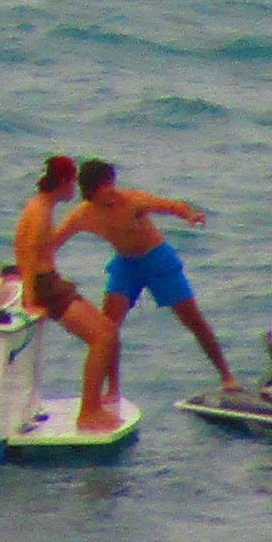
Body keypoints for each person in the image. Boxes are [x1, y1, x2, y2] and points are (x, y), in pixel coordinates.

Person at [53, 157, 239, 393]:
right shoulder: (82, 216)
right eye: (105, 187)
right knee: (107, 329)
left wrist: (190, 215)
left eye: (112, 183)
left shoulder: (132, 201)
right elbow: (54, 242)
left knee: (194, 321)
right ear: (91, 191)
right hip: (126, 266)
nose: (112, 191)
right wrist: (30, 265)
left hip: (157, 260)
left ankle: (227, 376)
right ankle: (113, 390)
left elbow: (169, 206)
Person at [13, 154, 124, 431]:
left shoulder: (42, 207)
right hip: (45, 287)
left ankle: (97, 404)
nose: (75, 187)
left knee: (109, 331)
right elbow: (27, 254)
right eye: (72, 181)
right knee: (102, 337)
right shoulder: (40, 212)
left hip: (50, 283)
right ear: (63, 182)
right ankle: (89, 412)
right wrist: (29, 300)